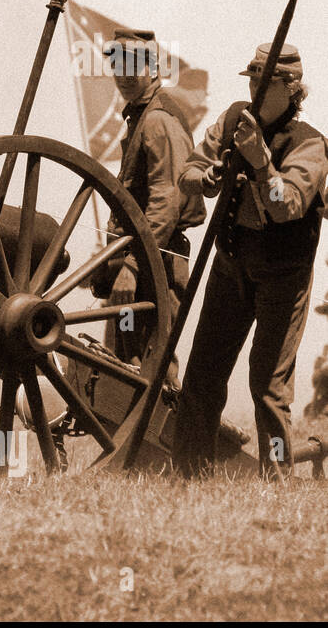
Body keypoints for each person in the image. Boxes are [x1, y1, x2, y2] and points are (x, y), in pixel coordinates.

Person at [174, 43, 328, 478]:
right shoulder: (232, 119)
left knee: (268, 387)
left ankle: (276, 480)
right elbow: (189, 171)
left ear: (292, 88)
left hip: (284, 274)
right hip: (231, 262)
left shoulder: (311, 143)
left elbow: (287, 205)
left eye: (266, 82)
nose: (256, 89)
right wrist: (205, 177)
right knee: (202, 375)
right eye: (252, 79)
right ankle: (189, 475)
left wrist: (262, 164)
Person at [92, 29, 205, 379]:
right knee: (126, 366)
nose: (123, 76)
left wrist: (133, 266)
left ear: (153, 68)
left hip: (157, 264)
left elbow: (166, 202)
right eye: (117, 67)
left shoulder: (157, 120)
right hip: (137, 259)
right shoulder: (140, 116)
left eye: (133, 67)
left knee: (153, 370)